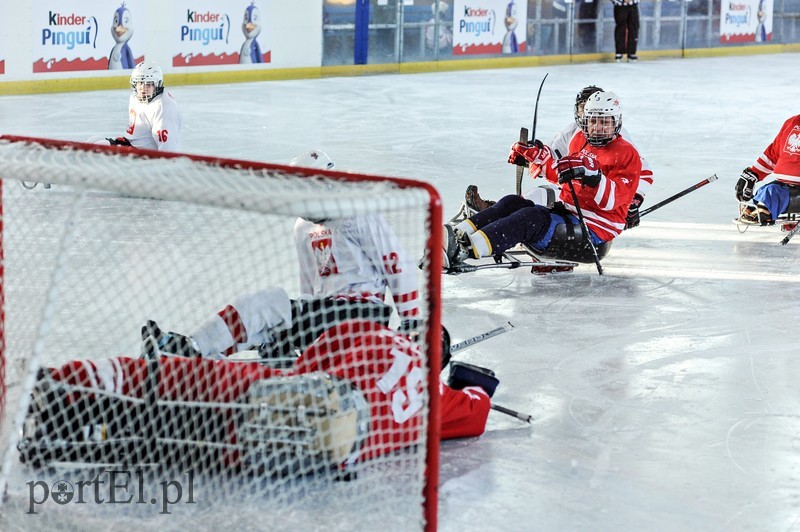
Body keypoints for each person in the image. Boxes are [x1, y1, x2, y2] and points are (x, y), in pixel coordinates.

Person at [20, 320, 497, 471]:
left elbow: (309, 360)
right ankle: (64, 441)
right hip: (304, 452)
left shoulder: (372, 331)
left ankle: (63, 387)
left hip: (289, 394)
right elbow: (477, 414)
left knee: (163, 379)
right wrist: (472, 381)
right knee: (174, 442)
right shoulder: (438, 395)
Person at [445, 91, 641, 266]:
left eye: (605, 122)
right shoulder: (581, 141)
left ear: (617, 122)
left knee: (531, 218)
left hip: (593, 234)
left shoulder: (626, 153)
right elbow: (562, 175)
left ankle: (467, 249)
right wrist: (537, 159)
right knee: (512, 203)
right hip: (570, 214)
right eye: (593, 121)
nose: (598, 127)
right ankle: (458, 233)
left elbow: (612, 200)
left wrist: (595, 177)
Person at [467, 85, 654, 230]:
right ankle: (494, 216)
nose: (589, 117)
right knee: (535, 195)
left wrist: (632, 203)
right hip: (574, 194)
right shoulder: (573, 131)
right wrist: (530, 158)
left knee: (539, 197)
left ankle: (501, 223)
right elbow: (551, 162)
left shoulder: (616, 137)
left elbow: (643, 172)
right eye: (583, 109)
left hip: (599, 208)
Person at [735, 113, 800, 225]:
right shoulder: (792, 122)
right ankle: (758, 207)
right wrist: (754, 173)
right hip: (786, 186)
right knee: (767, 189)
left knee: (772, 193)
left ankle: (764, 210)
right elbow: (773, 154)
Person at [106, 61, 182, 151]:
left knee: (99, 146)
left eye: (148, 84)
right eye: (139, 83)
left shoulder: (163, 108)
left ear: (157, 85)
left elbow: (169, 150)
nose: (143, 88)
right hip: (131, 145)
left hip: (145, 155)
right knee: (95, 140)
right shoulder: (135, 97)